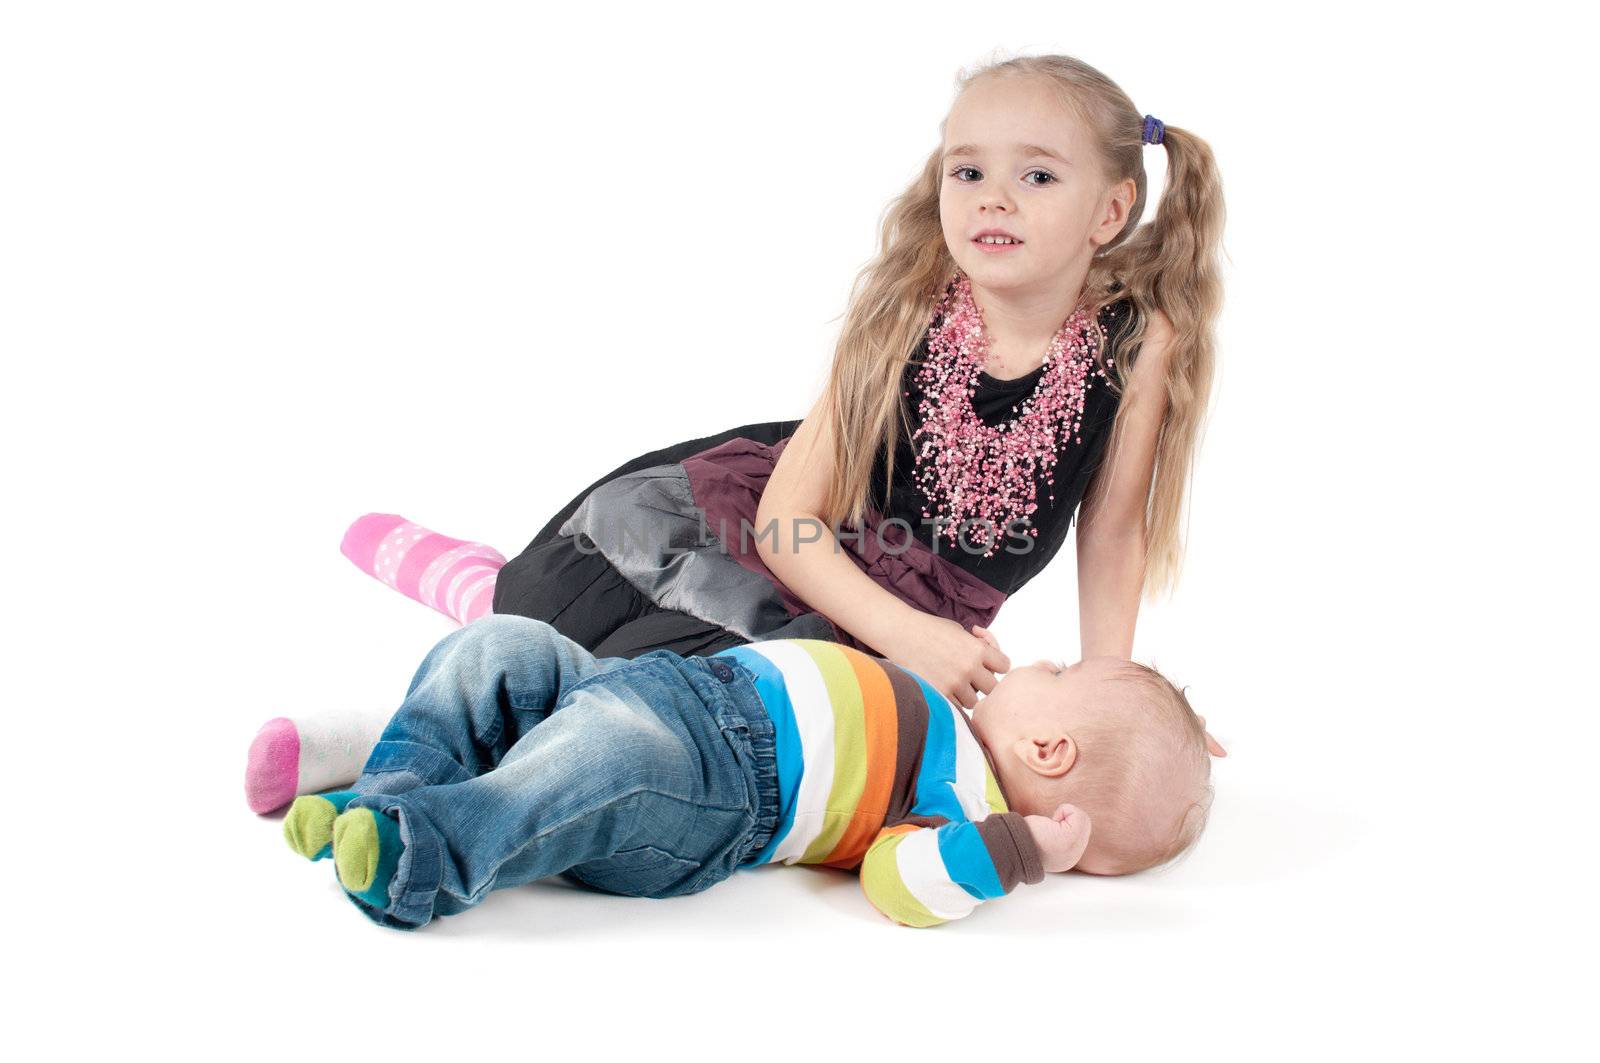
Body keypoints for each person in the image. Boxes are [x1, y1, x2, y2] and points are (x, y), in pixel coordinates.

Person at [246, 52, 1227, 814]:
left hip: (891, 622)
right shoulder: (903, 313)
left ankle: (473, 637)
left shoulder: (1136, 344)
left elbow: (1111, 533)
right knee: (565, 619)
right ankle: (431, 654)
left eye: (1037, 176)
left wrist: (1118, 699)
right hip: (789, 551)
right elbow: (785, 525)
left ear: (1112, 210)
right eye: (967, 168)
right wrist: (903, 631)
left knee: (701, 726)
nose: (993, 197)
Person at [281, 615, 1213, 930]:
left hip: (715, 786)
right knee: (500, 649)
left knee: (608, 756)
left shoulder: (964, 798)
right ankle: (385, 799)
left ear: (1051, 750)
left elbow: (900, 883)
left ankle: (418, 862)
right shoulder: (949, 714)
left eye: (1051, 674)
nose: (1028, 666)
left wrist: (1016, 850)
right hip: (669, 683)